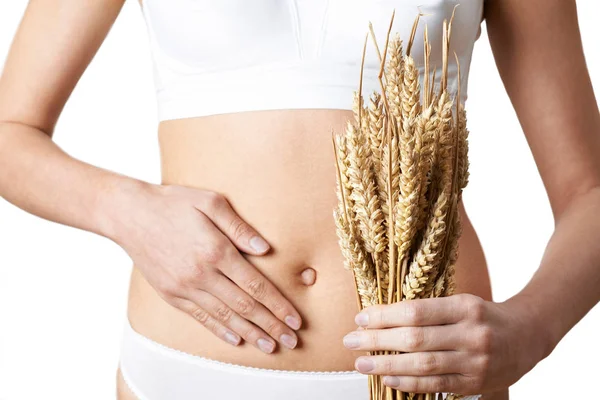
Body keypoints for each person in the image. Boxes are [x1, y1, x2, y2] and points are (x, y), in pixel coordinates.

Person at [0, 0, 598, 399]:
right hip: (188, 373)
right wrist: (125, 209)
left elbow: (588, 190)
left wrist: (532, 328)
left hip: (426, 376)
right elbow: (10, 131)